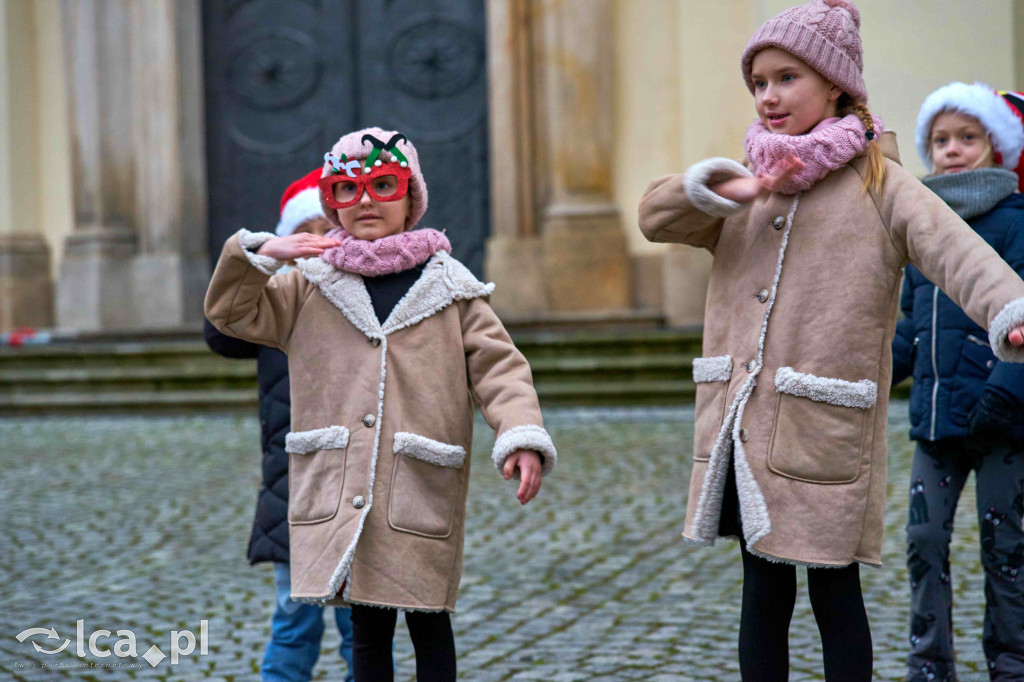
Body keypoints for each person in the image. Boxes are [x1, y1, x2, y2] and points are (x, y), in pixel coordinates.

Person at [637, 1, 1024, 680]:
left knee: (834, 594)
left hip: (822, 430)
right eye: (758, 82)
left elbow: (957, 253)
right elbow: (655, 217)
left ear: (837, 85)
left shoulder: (881, 184)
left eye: (786, 78)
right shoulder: (747, 187)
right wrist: (727, 187)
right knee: (762, 593)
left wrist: (1010, 310)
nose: (769, 96)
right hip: (744, 426)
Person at [205, 128, 557, 682]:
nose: (366, 199)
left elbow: (500, 368)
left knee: (430, 624)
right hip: (341, 480)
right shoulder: (308, 284)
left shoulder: (451, 286)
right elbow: (231, 317)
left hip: (417, 479)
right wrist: (259, 254)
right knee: (368, 633)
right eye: (347, 189)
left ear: (410, 196)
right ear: (331, 204)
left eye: (383, 184)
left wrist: (521, 434)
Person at [892, 82, 1024, 681]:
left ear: (995, 147)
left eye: (967, 138)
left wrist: (1004, 390)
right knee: (922, 541)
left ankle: (1012, 663)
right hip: (937, 421)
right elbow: (906, 326)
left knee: (1008, 551)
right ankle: (929, 664)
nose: (952, 150)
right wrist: (868, 370)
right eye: (940, 140)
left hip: (1004, 423)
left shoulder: (1016, 223)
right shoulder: (919, 230)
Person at [204, 169, 357, 682]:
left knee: (361, 630)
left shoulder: (362, 301)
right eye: (308, 238)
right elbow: (221, 335)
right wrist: (266, 260)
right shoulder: (275, 303)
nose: (322, 252)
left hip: (354, 483)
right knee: (298, 622)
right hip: (296, 491)